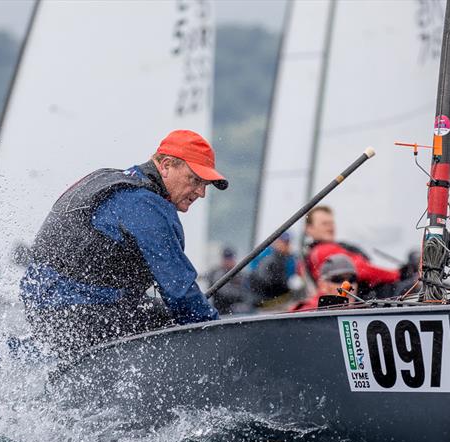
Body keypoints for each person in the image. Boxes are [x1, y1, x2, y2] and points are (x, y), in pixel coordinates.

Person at [20, 130, 226, 358]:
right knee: (173, 323)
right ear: (166, 165)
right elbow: (178, 288)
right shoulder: (144, 204)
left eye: (205, 184)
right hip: (76, 313)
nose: (202, 192)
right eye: (195, 180)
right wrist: (216, 333)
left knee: (160, 314)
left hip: (46, 313)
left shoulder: (109, 180)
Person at [303, 205, 399, 296]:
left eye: (332, 223)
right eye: (324, 224)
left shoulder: (316, 252)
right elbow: (360, 269)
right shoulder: (322, 250)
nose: (330, 227)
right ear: (310, 229)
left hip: (353, 301)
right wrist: (397, 274)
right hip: (355, 301)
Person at [249, 232, 303, 307]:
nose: (286, 245)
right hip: (265, 300)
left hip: (275, 298)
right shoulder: (269, 258)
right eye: (284, 242)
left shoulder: (288, 258)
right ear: (276, 242)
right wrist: (287, 284)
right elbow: (265, 281)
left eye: (287, 243)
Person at [291, 254, 359, 311]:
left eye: (352, 279)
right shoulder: (308, 311)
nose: (348, 286)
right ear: (322, 285)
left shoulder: (363, 310)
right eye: (338, 279)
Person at [203, 247, 253, 315]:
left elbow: (248, 294)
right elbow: (223, 291)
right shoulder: (216, 273)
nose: (228, 262)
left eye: (230, 259)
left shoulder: (240, 275)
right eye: (226, 259)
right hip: (221, 312)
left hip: (238, 312)